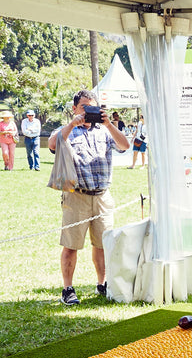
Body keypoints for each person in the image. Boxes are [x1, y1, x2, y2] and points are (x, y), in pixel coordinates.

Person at [47, 89, 130, 306]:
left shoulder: (104, 131)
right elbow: (53, 144)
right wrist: (72, 124)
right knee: (71, 245)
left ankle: (102, 284)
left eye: (92, 107)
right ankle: (68, 289)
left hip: (102, 196)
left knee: (103, 244)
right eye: (84, 107)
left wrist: (109, 124)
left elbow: (125, 146)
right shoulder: (67, 130)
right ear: (74, 108)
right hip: (77, 196)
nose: (88, 112)